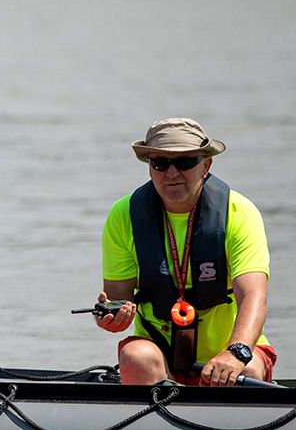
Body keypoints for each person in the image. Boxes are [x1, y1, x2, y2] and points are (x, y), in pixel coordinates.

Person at [95, 117, 276, 386]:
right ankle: (154, 422)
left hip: (231, 354)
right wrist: (111, 318)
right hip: (160, 356)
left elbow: (253, 295)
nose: (171, 173)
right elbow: (117, 299)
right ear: (149, 167)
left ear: (206, 165)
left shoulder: (239, 213)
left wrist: (236, 352)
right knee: (135, 358)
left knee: (246, 371)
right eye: (160, 163)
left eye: (185, 162)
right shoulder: (123, 215)